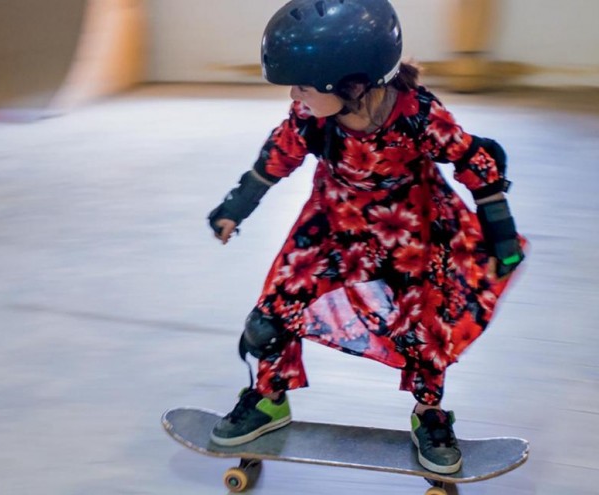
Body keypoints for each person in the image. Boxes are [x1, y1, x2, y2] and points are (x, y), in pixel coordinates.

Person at [206, 0, 526, 475]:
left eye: (305, 85)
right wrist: (236, 205)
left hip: (409, 229)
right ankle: (268, 401)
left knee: (423, 332)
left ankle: (430, 416)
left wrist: (500, 233)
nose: (295, 94)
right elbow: (279, 155)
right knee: (271, 316)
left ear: (352, 84)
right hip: (333, 223)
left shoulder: (418, 116)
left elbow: (475, 160)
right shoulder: (309, 116)